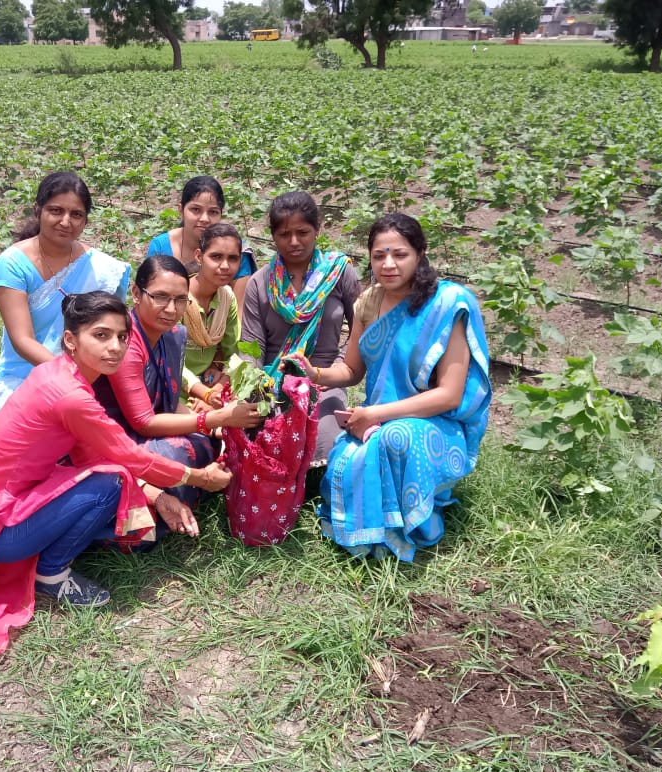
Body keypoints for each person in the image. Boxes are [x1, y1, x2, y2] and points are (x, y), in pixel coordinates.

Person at [0, 292, 233, 654]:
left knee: (118, 486)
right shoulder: (70, 396)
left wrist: (158, 495)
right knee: (112, 483)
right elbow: (128, 455)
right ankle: (52, 572)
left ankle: (59, 546)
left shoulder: (57, 374)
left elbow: (90, 451)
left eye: (122, 336)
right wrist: (199, 478)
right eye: (101, 335)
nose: (115, 347)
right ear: (71, 340)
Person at [289, 214, 491, 562]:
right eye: (379, 255)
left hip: (435, 424)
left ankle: (413, 528)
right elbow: (352, 370)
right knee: (346, 456)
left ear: (420, 254)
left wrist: (375, 414)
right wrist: (314, 372)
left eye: (400, 254)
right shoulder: (369, 302)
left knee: (395, 438)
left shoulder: (446, 304)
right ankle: (369, 534)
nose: (388, 264)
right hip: (378, 418)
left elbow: (450, 395)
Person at [93, 255, 261, 510]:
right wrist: (216, 418)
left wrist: (214, 427)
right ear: (136, 293)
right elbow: (144, 422)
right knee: (178, 452)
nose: (171, 309)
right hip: (112, 439)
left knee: (211, 440)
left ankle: (188, 487)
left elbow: (168, 402)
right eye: (160, 297)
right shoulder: (124, 343)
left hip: (150, 429)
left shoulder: (171, 335)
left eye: (181, 299)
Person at [0, 171, 130, 411]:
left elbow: (112, 330)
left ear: (85, 221)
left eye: (76, 214)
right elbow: (22, 340)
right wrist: (70, 378)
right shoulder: (13, 263)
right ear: (38, 210)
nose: (66, 221)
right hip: (24, 374)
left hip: (90, 374)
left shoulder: (98, 267)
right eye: (56, 211)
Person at [240, 191, 361, 464]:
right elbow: (251, 347)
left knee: (325, 440)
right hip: (273, 381)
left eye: (303, 232)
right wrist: (257, 394)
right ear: (273, 236)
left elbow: (359, 334)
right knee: (267, 439)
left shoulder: (339, 273)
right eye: (284, 234)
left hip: (325, 380)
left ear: (318, 229)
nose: (294, 242)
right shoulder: (260, 283)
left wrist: (334, 372)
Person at [145, 176, 257, 314]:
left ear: (221, 214)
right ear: (181, 210)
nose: (204, 219)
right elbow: (150, 301)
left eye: (213, 212)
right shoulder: (161, 246)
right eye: (196, 210)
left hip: (222, 324)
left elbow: (240, 311)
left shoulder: (235, 251)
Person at [181, 223, 243, 411]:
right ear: (199, 257)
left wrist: (219, 387)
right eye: (216, 257)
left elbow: (234, 352)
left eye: (233, 258)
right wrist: (206, 395)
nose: (225, 266)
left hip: (211, 385)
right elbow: (169, 360)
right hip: (175, 388)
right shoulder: (178, 297)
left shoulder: (227, 298)